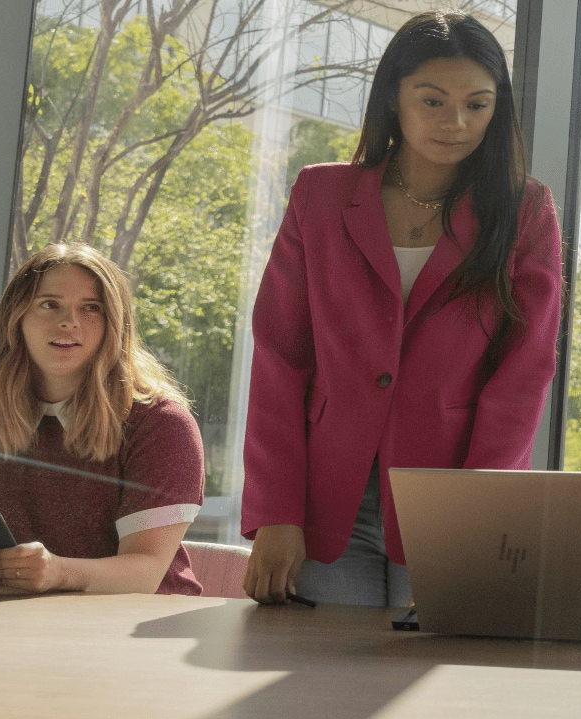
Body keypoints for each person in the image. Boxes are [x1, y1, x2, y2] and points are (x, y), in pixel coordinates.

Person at [240, 11, 563, 607]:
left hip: (452, 498)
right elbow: (281, 359)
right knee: (319, 686)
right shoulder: (320, 196)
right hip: (325, 500)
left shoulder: (525, 211)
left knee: (436, 685)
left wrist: (478, 515)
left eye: (478, 104)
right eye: (434, 101)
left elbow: (523, 374)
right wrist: (276, 511)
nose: (457, 122)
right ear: (394, 96)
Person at [0, 244, 203, 595]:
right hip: (18, 628)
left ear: (115, 325)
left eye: (91, 308)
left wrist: (58, 572)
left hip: (136, 634)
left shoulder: (161, 424)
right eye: (50, 304)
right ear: (15, 317)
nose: (69, 322)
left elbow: (146, 572)